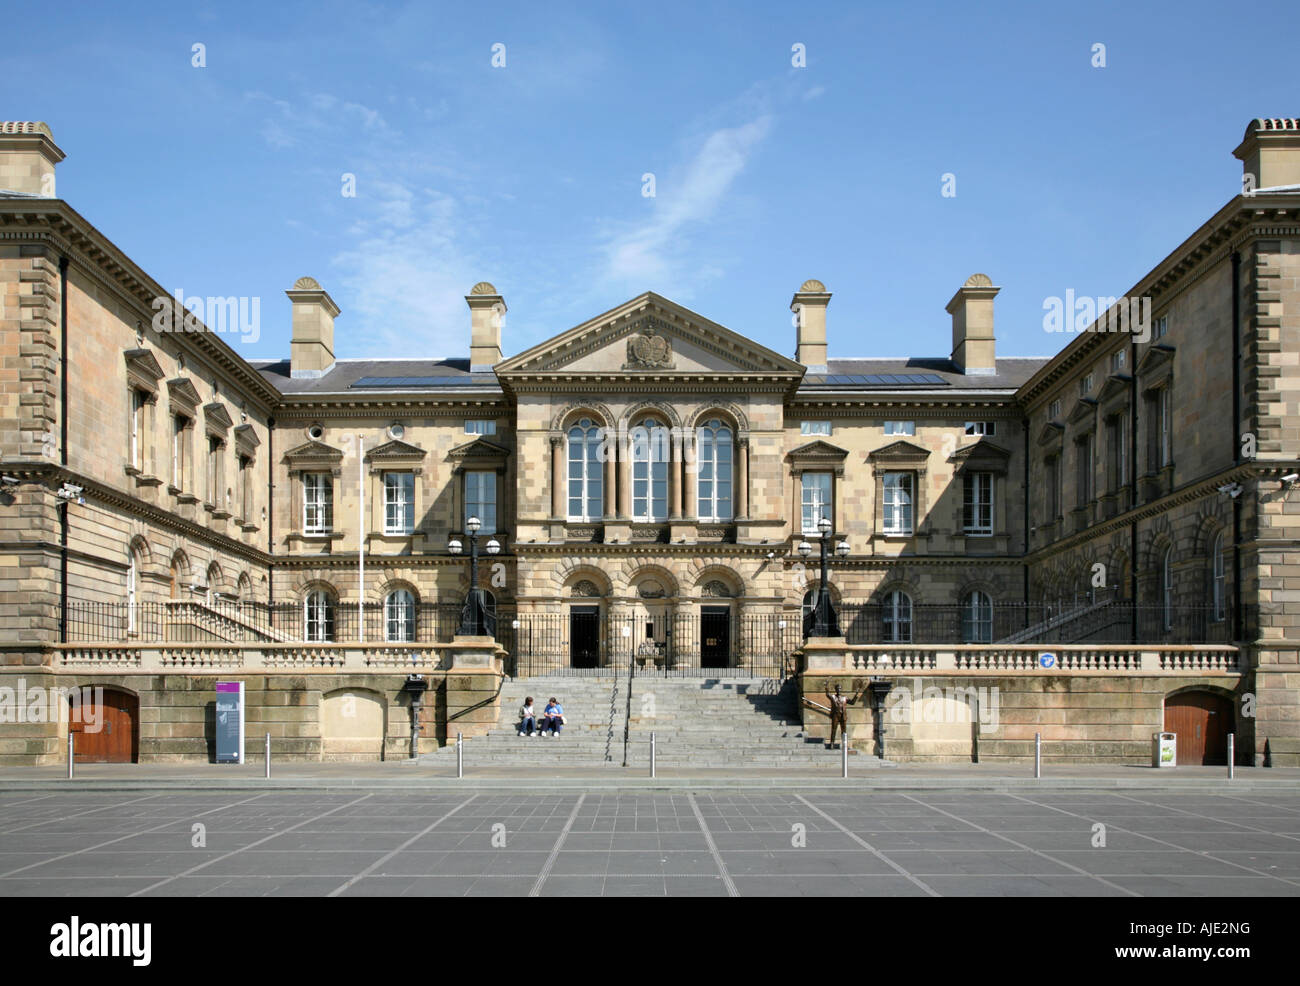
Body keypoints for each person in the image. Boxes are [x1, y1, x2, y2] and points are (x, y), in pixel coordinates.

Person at [824, 682, 862, 749]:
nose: (839, 690)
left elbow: (852, 702)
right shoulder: (833, 697)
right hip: (835, 715)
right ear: (835, 689)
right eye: (837, 688)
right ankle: (832, 743)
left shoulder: (844, 698)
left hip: (843, 716)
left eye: (840, 688)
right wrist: (826, 686)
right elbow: (827, 694)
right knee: (833, 729)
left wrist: (856, 694)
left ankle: (844, 744)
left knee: (844, 731)